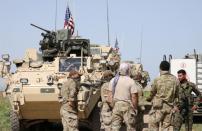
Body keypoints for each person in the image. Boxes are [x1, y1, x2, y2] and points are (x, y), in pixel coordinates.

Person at [146, 61, 179, 131]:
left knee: (153, 127)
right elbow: (177, 94)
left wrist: (148, 99)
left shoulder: (157, 79)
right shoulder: (175, 80)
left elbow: (152, 92)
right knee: (166, 128)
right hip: (169, 107)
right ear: (169, 68)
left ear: (160, 68)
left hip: (158, 108)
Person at [107, 63, 139, 131]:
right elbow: (134, 97)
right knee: (131, 127)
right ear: (128, 70)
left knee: (114, 128)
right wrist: (135, 108)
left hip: (116, 106)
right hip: (127, 106)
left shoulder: (113, 80)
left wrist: (113, 106)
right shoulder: (131, 81)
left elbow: (109, 98)